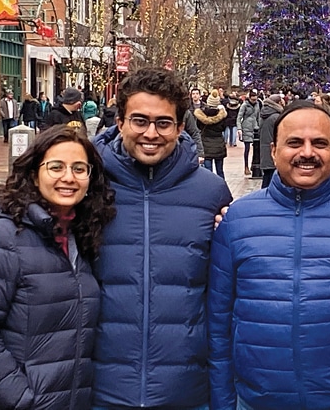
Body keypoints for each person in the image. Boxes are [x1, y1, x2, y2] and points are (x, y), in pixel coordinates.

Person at [208, 101, 330, 410]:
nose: (307, 153)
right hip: (255, 401)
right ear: (273, 150)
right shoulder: (238, 220)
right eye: (294, 143)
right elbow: (219, 325)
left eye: (319, 143)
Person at [92, 67, 232, 410]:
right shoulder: (87, 184)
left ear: (180, 127)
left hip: (186, 391)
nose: (150, 133)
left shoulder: (210, 192)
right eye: (139, 121)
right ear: (120, 122)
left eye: (163, 123)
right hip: (99, 390)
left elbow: (228, 285)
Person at [0, 126, 116, 410]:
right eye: (56, 167)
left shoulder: (82, 236)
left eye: (79, 169)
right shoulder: (3, 236)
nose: (69, 177)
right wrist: (22, 399)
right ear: (33, 173)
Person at [196, 89, 227, 179]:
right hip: (219, 145)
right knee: (220, 171)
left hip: (206, 145)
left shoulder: (202, 115)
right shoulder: (222, 115)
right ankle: (222, 188)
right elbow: (224, 128)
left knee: (208, 171)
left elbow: (199, 127)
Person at [258, 93, 284, 188]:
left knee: (267, 176)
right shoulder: (276, 116)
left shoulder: (264, 114)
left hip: (265, 148)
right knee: (272, 177)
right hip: (273, 149)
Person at [237, 90, 260, 176]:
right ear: (249, 98)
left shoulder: (258, 104)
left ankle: (254, 164)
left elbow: (258, 116)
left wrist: (259, 126)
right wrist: (239, 128)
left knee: (256, 148)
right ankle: (246, 166)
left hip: (255, 128)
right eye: (253, 99)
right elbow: (239, 117)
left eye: (255, 99)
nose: (254, 101)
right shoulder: (244, 105)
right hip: (246, 128)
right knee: (247, 148)